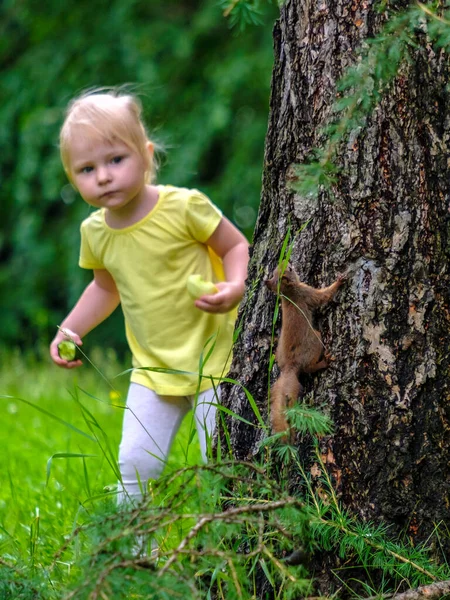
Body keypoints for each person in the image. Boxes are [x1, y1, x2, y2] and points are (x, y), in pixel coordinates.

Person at [50, 90, 249, 504]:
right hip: (153, 368)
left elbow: (234, 246)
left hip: (215, 358)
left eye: (115, 160)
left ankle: (234, 538)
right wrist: (71, 327)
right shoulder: (96, 233)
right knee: (136, 462)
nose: (103, 176)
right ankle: (131, 554)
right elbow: (105, 288)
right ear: (72, 177)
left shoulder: (184, 207)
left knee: (224, 456)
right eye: (87, 169)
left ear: (146, 154)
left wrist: (235, 286)